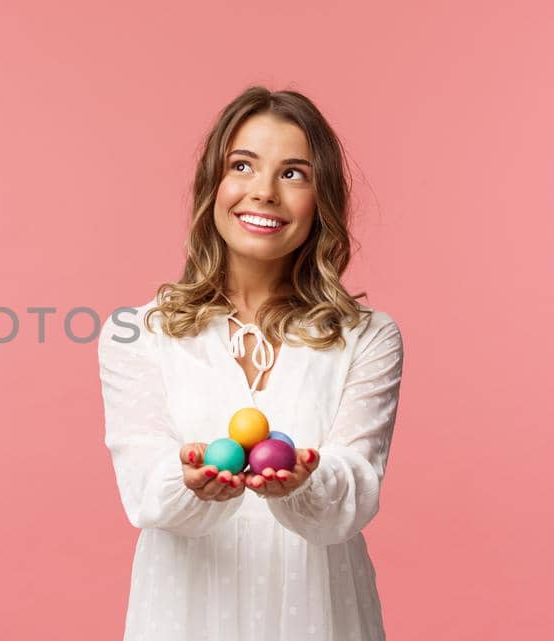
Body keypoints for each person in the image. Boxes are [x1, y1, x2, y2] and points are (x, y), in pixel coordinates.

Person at [98, 86, 406, 641]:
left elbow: (356, 492)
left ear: (323, 199)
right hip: (185, 616)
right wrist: (187, 481)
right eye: (243, 165)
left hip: (321, 617)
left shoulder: (368, 336)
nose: (263, 192)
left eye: (294, 174)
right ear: (213, 184)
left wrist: (304, 482)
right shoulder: (138, 333)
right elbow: (144, 488)